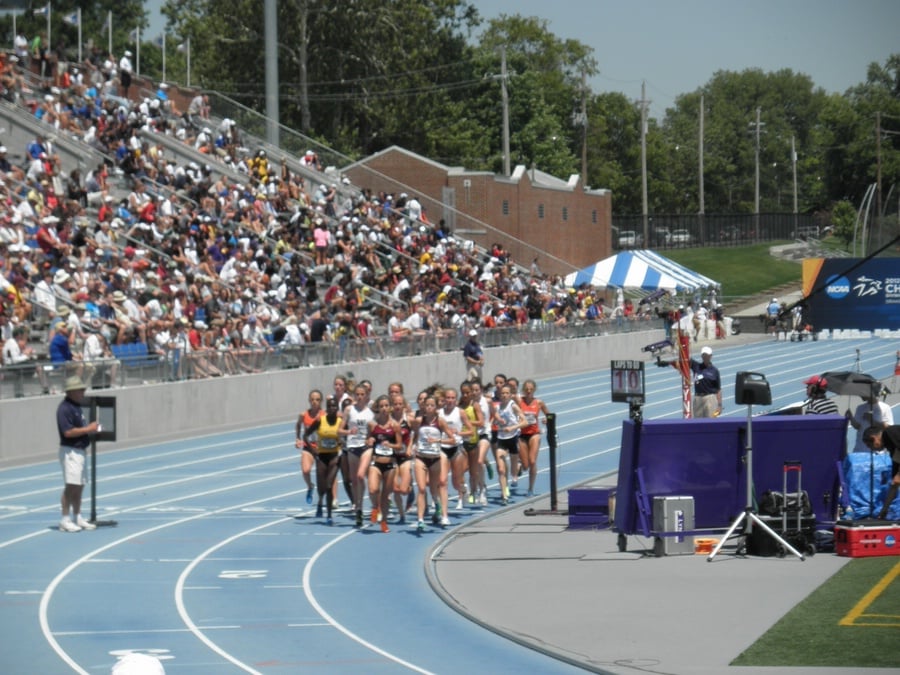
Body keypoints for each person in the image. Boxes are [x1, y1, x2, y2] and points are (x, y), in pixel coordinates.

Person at [56, 376, 99, 532]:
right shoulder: (65, 408)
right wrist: (88, 429)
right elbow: (67, 432)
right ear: (72, 391)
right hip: (71, 451)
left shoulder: (75, 406)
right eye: (81, 389)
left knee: (79, 486)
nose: (83, 392)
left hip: (79, 450)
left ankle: (78, 516)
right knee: (71, 486)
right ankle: (65, 519)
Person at [302, 396, 343, 524]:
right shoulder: (320, 420)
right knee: (322, 488)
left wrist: (343, 443)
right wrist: (312, 449)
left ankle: (329, 515)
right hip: (321, 457)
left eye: (334, 406)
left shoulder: (341, 422)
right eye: (330, 406)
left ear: (337, 408)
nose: (332, 408)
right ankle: (320, 501)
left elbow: (348, 435)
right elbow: (306, 435)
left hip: (335, 456)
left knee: (330, 485)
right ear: (327, 408)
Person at [517, 379, 550, 496]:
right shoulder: (519, 401)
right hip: (522, 435)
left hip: (534, 434)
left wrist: (547, 419)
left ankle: (530, 488)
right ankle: (521, 465)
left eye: (531, 389)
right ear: (523, 390)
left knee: (532, 461)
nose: (529, 391)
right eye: (526, 389)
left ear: (534, 390)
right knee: (526, 466)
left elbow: (549, 415)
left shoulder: (539, 403)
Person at [861, 426, 900, 520]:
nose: (872, 449)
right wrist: (884, 510)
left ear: (873, 438)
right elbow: (894, 484)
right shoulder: (894, 451)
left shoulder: (890, 432)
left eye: (870, 446)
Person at [295, 389, 324, 507]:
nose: (314, 402)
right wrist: (297, 438)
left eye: (317, 400)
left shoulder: (324, 415)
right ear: (309, 401)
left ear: (321, 401)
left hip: (322, 449)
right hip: (308, 447)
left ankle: (324, 498)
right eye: (312, 399)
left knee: (322, 476)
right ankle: (310, 486)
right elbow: (297, 425)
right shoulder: (304, 415)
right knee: (305, 470)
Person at [847, 389, 893, 453]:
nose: (859, 395)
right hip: (860, 449)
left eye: (861, 393)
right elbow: (857, 426)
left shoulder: (885, 407)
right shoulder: (860, 408)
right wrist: (850, 417)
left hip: (876, 451)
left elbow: (889, 428)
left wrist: (872, 420)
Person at [690, 345, 722, 418]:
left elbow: (718, 389)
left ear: (711, 356)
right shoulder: (696, 366)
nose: (705, 357)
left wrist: (719, 405)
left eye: (707, 355)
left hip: (710, 398)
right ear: (701, 356)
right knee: (698, 423)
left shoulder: (714, 371)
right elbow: (685, 359)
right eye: (703, 355)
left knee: (711, 421)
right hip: (698, 398)